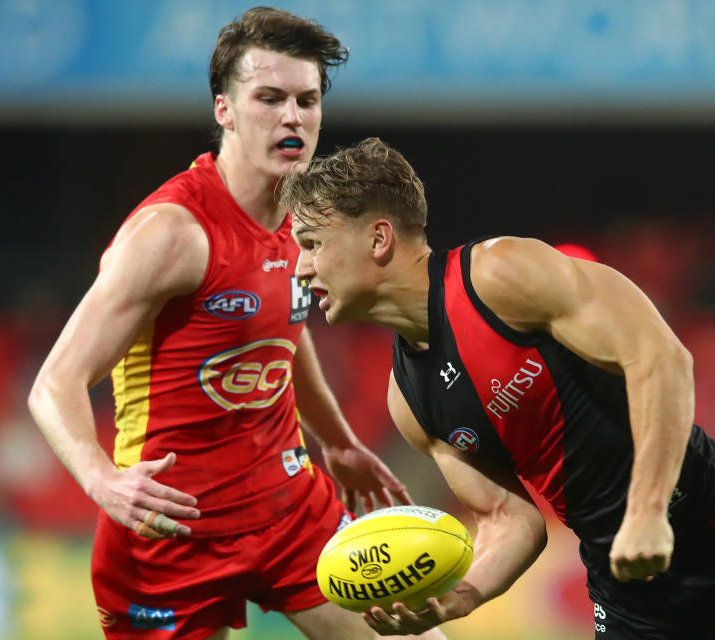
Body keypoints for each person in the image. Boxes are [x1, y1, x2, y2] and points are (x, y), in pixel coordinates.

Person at [280, 137, 715, 640]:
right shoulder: (409, 400)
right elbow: (509, 519)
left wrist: (646, 512)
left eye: (311, 242)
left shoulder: (500, 276)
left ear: (378, 238)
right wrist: (456, 599)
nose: (300, 267)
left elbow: (660, 358)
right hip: (621, 580)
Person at [28, 10, 444, 640]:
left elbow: (284, 328)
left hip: (287, 512)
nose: (292, 117)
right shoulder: (172, 234)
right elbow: (54, 384)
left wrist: (334, 439)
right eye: (269, 98)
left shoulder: (306, 215)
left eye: (307, 100)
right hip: (169, 538)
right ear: (224, 109)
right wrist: (102, 481)